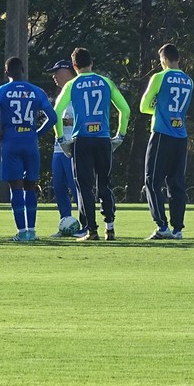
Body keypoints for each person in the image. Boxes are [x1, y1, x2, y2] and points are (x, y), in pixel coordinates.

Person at [53, 48, 130, 241]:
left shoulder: (72, 84)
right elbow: (125, 109)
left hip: (82, 140)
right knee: (105, 184)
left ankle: (92, 230)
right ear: (92, 63)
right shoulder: (106, 82)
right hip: (103, 139)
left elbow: (57, 112)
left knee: (85, 186)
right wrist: (120, 135)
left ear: (74, 66)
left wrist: (61, 139)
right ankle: (110, 228)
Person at [0, 57, 58, 241]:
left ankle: (21, 232)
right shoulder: (37, 91)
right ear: (23, 70)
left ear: (6, 72)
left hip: (10, 142)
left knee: (16, 188)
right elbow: (52, 118)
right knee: (31, 187)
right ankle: (32, 231)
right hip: (30, 142)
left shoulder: (0, 91)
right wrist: (38, 133)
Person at [140, 43, 193, 240]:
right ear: (178, 58)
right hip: (181, 135)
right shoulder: (189, 81)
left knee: (152, 180)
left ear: (163, 60)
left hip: (162, 133)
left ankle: (162, 226)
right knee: (176, 183)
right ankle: (178, 229)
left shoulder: (159, 77)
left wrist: (158, 109)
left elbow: (144, 106)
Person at [44, 59, 82, 237]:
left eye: (57, 72)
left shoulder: (78, 90)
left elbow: (83, 119)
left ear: (68, 71)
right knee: (58, 187)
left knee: (77, 188)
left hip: (74, 146)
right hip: (59, 147)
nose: (54, 76)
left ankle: (85, 225)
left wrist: (63, 121)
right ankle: (66, 223)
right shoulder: (61, 95)